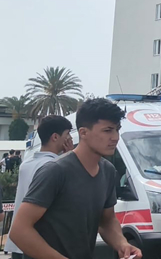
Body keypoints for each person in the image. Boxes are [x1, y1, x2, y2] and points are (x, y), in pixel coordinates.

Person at [9, 98, 142, 259]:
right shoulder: (55, 171)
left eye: (117, 130)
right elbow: (19, 231)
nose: (115, 137)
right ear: (83, 133)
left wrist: (122, 244)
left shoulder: (108, 171)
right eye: (107, 130)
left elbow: (107, 221)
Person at [6, 115, 73, 259]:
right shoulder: (54, 167)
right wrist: (69, 158)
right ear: (55, 137)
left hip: (18, 243)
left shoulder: (26, 164)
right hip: (39, 243)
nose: (70, 139)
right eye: (67, 134)